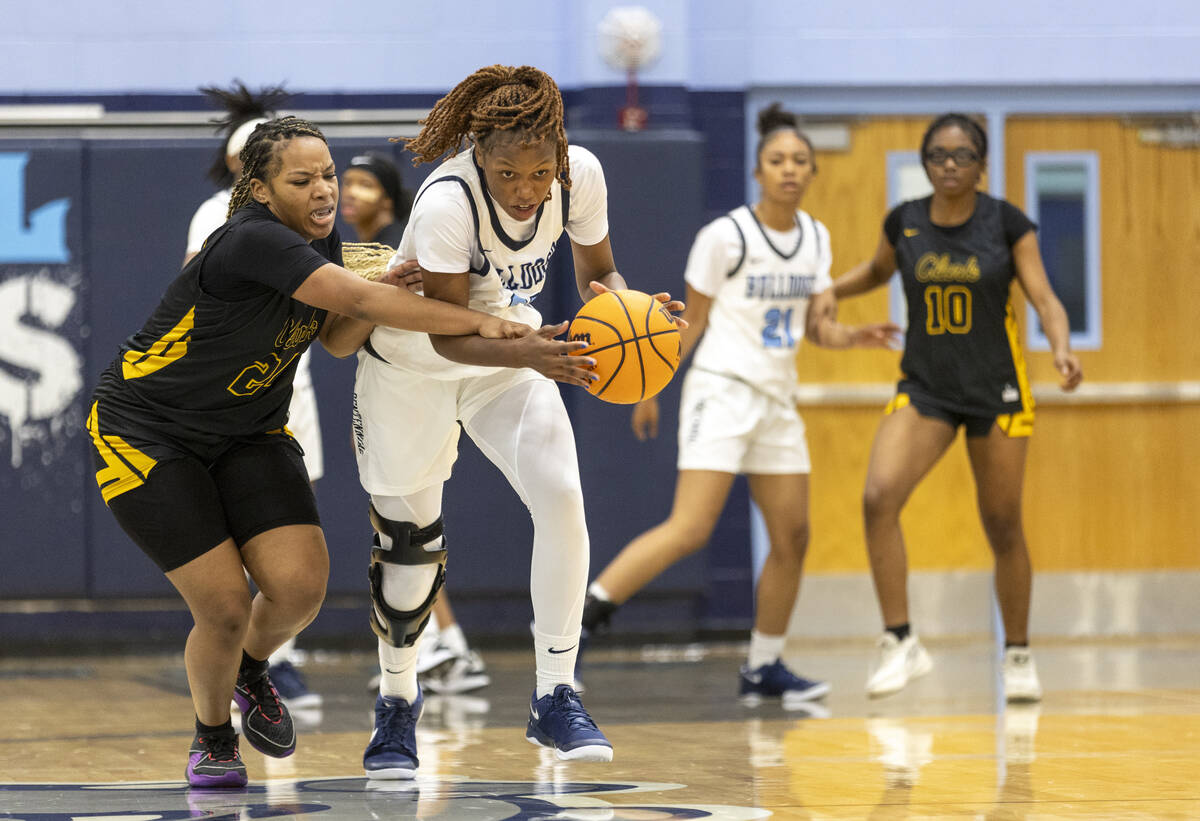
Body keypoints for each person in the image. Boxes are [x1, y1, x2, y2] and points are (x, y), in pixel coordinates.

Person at [85, 115, 530, 789]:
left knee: (300, 588)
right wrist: (480, 321)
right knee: (227, 607)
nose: (326, 190)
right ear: (262, 190)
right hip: (147, 430)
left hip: (248, 430)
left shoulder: (324, 242)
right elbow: (350, 294)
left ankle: (246, 669)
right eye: (304, 179)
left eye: (328, 174)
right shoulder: (251, 240)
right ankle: (212, 736)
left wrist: (388, 296)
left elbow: (337, 338)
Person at [348, 64, 683, 777]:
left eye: (538, 172)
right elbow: (444, 329)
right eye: (507, 173)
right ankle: (398, 700)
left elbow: (602, 277)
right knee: (410, 548)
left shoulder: (579, 176)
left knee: (562, 495)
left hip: (509, 354)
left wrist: (638, 318)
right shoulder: (446, 202)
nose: (525, 189)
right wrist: (529, 350)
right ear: (478, 154)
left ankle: (555, 692)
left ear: (559, 154)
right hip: (418, 362)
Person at [576, 103, 899, 707]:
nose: (790, 170)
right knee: (689, 528)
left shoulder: (817, 239)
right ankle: (578, 627)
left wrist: (852, 336)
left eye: (800, 161)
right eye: (778, 161)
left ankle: (764, 665)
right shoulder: (724, 236)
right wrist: (651, 388)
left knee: (793, 535)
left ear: (811, 172)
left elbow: (817, 328)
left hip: (777, 398)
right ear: (758, 170)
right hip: (721, 388)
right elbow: (688, 324)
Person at [832, 112, 1083, 701]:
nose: (950, 165)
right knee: (878, 496)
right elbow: (875, 271)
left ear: (981, 165)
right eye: (939, 156)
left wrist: (1064, 349)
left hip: (997, 390)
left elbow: (1044, 297)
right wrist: (828, 290)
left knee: (1002, 522)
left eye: (962, 156)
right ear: (925, 163)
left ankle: (1017, 654)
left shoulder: (1007, 222)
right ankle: (901, 641)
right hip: (926, 387)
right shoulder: (906, 222)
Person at [184, 81, 321, 710]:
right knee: (228, 540)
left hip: (289, 384)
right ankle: (235, 652)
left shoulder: (315, 219)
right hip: (223, 395)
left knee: (287, 536)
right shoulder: (219, 217)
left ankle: (269, 660)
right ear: (249, 172)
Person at [340, 152, 490, 695]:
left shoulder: (405, 243)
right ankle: (445, 645)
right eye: (346, 181)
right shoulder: (345, 250)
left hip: (424, 382)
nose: (349, 191)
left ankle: (445, 646)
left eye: (364, 183)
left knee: (407, 531)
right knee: (408, 529)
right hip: (391, 376)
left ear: (389, 196)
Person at [340, 151, 413, 247]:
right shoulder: (372, 246)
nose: (350, 193)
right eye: (347, 183)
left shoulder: (391, 250)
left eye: (365, 185)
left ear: (387, 199)